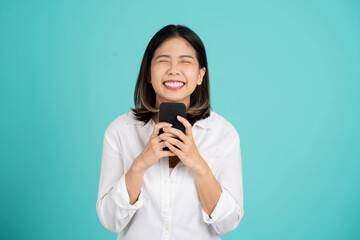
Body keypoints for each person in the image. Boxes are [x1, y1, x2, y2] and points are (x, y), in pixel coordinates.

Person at [96, 24, 244, 240]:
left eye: (185, 61)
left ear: (201, 75)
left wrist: (198, 165)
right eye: (163, 60)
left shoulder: (223, 134)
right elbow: (110, 221)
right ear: (148, 73)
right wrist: (140, 164)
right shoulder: (120, 132)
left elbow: (228, 223)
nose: (174, 69)